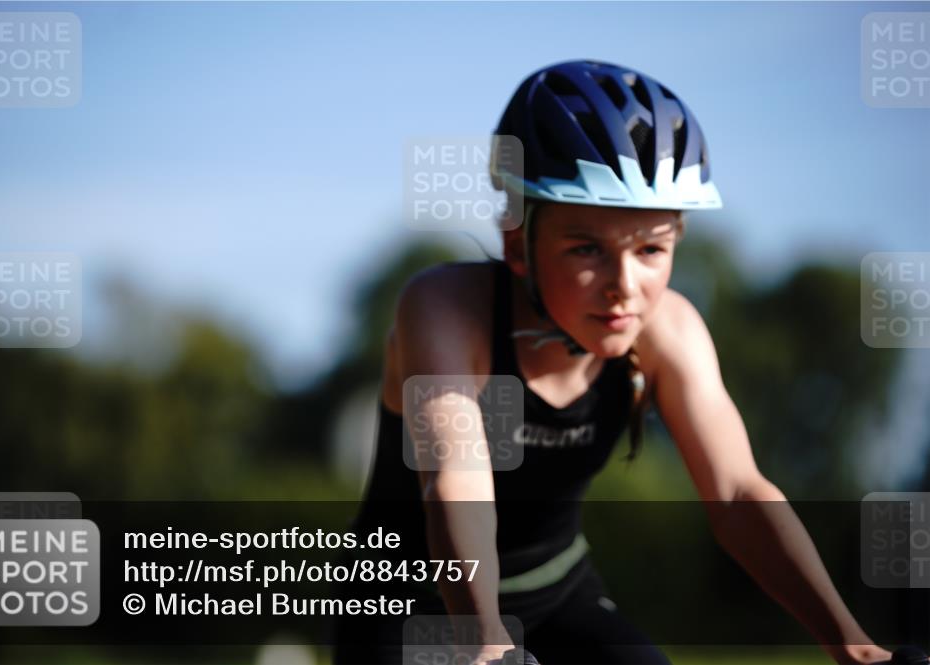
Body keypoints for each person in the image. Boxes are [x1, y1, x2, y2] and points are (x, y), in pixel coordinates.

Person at [332, 60, 895, 665]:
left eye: (652, 248)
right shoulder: (445, 308)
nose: (623, 286)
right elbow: (457, 481)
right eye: (586, 250)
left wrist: (851, 643)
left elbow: (736, 492)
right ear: (518, 244)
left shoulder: (669, 328)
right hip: (410, 606)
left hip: (557, 593)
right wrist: (486, 637)